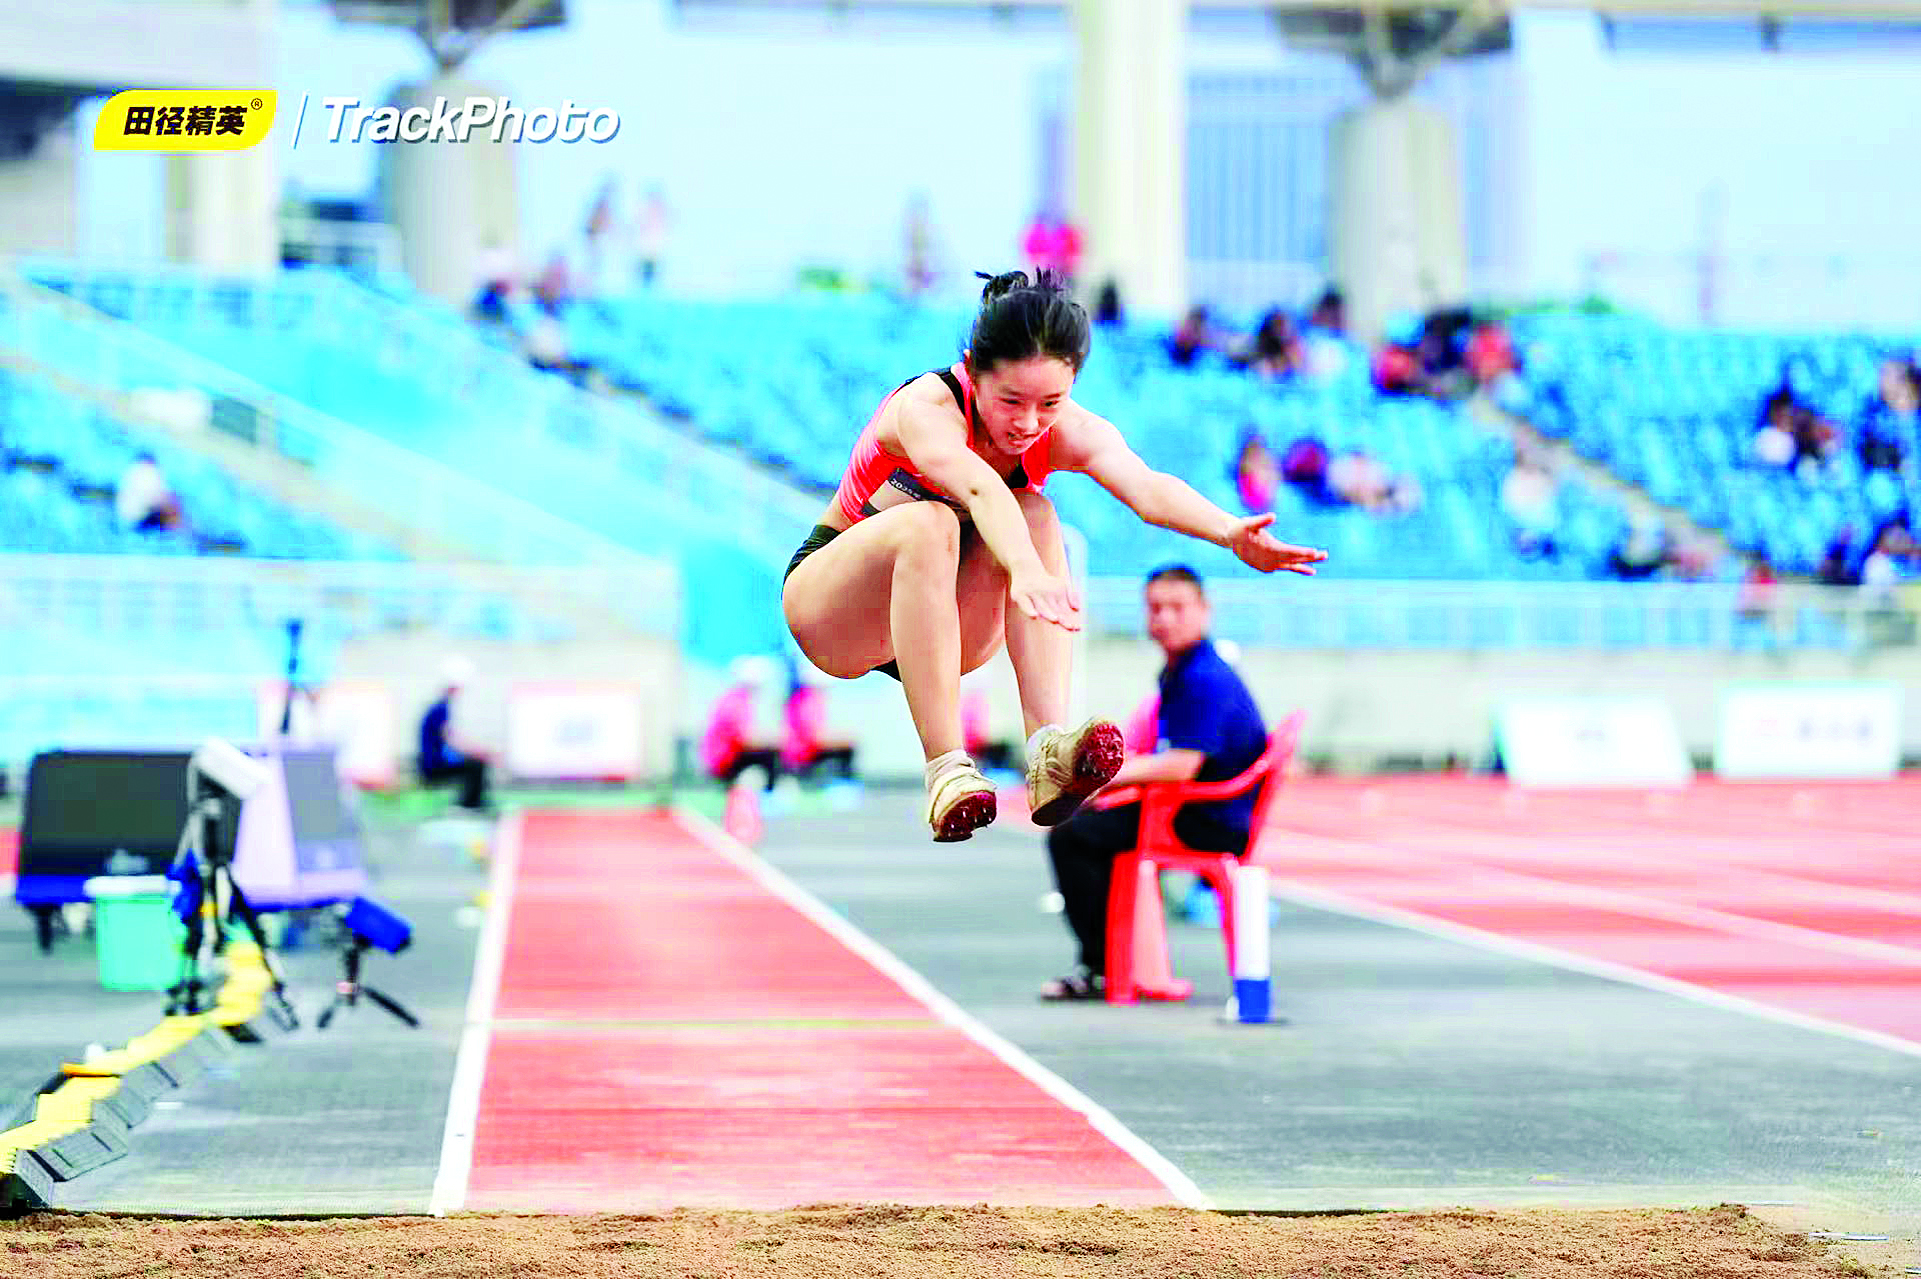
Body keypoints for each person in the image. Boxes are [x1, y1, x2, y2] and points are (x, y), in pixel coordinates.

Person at [781, 270, 1325, 842]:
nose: (1027, 424)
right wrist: (1024, 569)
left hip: (943, 626)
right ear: (972, 370)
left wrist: (1230, 532)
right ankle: (946, 768)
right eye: (1010, 401)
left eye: (1049, 404)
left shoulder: (1063, 428)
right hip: (839, 614)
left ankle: (1046, 749)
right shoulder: (926, 408)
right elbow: (978, 489)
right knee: (929, 521)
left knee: (1037, 511)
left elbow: (1146, 489)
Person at [1040, 566, 1270, 1000]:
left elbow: (1181, 766)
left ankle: (1102, 968)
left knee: (1071, 837)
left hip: (1207, 819)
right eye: (1155, 608)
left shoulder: (1203, 678)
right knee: (1088, 824)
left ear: (1204, 610)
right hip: (1189, 808)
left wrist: (1104, 779)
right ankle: (1114, 961)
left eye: (1177, 607)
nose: (1164, 618)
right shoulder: (1182, 670)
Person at [418, 657, 490, 812]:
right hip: (433, 766)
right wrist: (478, 752)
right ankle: (470, 806)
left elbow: (451, 738)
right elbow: (450, 739)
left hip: (436, 762)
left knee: (475, 764)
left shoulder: (440, 708)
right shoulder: (440, 709)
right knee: (476, 766)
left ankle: (471, 802)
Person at [702, 657, 785, 791]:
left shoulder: (738, 699)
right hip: (724, 758)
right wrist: (770, 743)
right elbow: (742, 739)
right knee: (771, 756)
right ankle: (769, 796)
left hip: (727, 755)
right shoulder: (736, 702)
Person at [115, 451, 186, 533]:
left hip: (136, 519)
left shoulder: (134, 471)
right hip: (139, 520)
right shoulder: (145, 472)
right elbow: (156, 499)